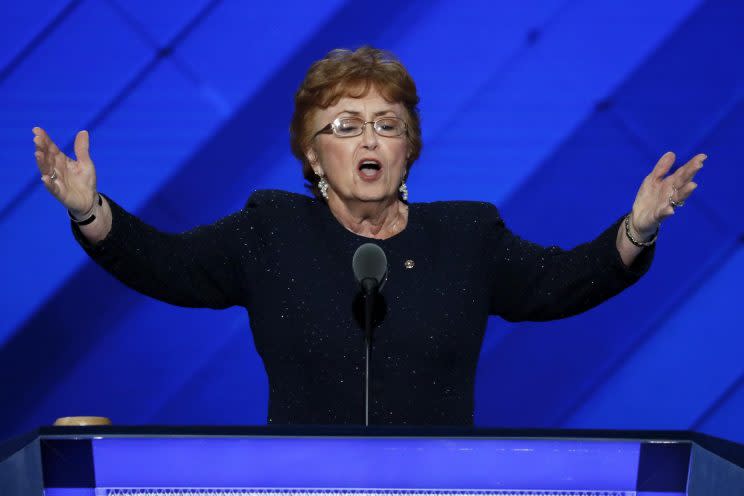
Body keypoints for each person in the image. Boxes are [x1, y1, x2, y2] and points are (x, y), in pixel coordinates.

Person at [31, 47, 704, 426]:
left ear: (409, 148)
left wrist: (636, 229)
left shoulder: (467, 234)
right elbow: (169, 265)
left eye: (386, 123)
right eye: (345, 126)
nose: (369, 138)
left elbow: (561, 282)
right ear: (312, 155)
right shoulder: (271, 230)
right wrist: (92, 211)